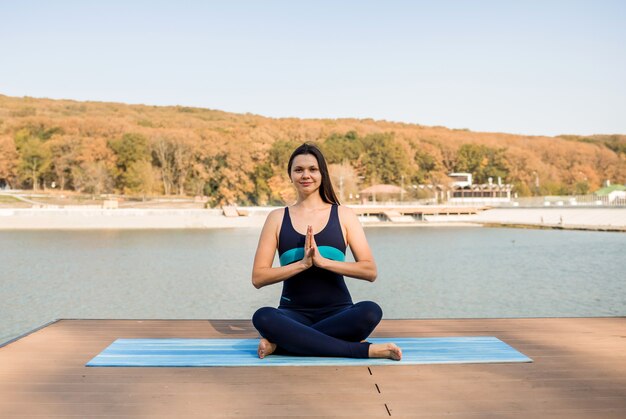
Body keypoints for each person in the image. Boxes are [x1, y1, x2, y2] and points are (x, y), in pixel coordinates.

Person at [251, 143, 401, 361]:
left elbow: (370, 271)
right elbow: (258, 277)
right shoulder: (276, 218)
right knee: (263, 316)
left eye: (312, 169)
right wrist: (302, 264)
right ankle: (363, 350)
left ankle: (283, 344)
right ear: (290, 175)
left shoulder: (343, 215)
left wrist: (323, 262)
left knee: (370, 311)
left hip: (339, 313)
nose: (306, 175)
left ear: (322, 174)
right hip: (292, 315)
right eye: (298, 170)